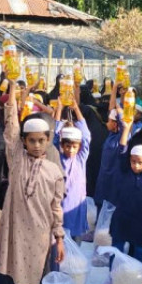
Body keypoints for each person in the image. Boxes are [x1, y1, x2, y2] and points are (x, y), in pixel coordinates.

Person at [0, 82, 66, 284]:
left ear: (48, 140)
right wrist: (13, 88)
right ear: (24, 142)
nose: (36, 145)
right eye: (31, 140)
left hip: (41, 238)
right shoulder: (16, 159)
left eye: (42, 140)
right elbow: (11, 124)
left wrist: (59, 239)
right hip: (15, 236)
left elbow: (56, 208)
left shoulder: (54, 171)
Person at [109, 120, 142, 268]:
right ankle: (114, 279)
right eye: (133, 161)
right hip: (121, 220)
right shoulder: (124, 172)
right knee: (116, 251)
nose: (135, 165)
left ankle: (138, 281)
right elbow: (121, 150)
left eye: (140, 162)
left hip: (139, 224)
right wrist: (126, 129)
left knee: (140, 254)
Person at [53, 99, 91, 243]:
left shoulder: (80, 158)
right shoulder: (58, 156)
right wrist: (59, 108)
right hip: (61, 205)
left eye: (74, 147)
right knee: (60, 240)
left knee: (76, 243)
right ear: (63, 145)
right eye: (67, 146)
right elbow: (54, 137)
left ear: (79, 147)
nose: (70, 149)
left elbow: (86, 136)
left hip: (77, 205)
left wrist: (76, 108)